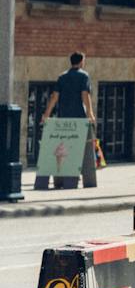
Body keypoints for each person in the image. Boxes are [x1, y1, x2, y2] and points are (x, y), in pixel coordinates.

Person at [38, 52, 98, 190]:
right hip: (79, 118)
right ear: (82, 61)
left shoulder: (62, 77)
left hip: (63, 117)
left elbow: (55, 96)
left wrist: (46, 114)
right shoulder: (84, 76)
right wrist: (90, 114)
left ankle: (60, 179)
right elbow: (85, 95)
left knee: (63, 147)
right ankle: (82, 179)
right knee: (82, 149)